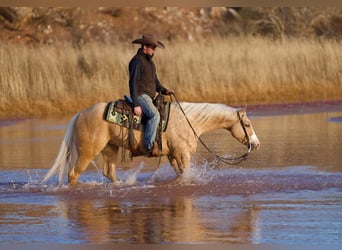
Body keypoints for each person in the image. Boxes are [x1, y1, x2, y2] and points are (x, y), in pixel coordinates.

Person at [128, 33, 173, 156]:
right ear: (144, 47)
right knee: (154, 115)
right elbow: (133, 83)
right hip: (141, 96)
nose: (154, 50)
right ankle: (148, 146)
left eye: (155, 48)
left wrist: (164, 90)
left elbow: (156, 83)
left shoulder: (151, 64)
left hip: (148, 96)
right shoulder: (137, 61)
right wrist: (136, 104)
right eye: (152, 47)